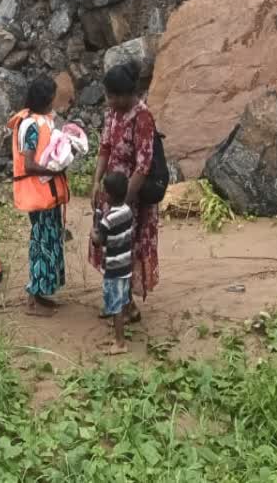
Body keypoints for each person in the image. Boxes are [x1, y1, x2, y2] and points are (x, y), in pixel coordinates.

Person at [89, 62, 160, 322]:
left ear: (125, 94)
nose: (109, 101)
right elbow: (105, 149)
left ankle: (126, 305)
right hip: (113, 191)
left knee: (128, 248)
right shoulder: (113, 114)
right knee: (111, 246)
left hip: (132, 195)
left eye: (112, 96)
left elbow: (143, 165)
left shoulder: (142, 117)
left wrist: (124, 204)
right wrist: (97, 182)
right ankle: (116, 301)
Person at [7, 75, 70, 317]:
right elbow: (30, 164)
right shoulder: (31, 125)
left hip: (46, 193)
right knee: (42, 243)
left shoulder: (41, 120)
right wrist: (54, 169)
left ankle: (41, 293)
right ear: (46, 100)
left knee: (49, 240)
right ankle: (34, 297)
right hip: (39, 192)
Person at [92, 172, 136, 354]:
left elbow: (98, 240)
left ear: (108, 195)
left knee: (115, 306)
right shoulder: (127, 211)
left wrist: (95, 227)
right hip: (125, 266)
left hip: (113, 269)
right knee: (122, 300)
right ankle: (119, 337)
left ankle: (120, 343)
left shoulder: (107, 220)